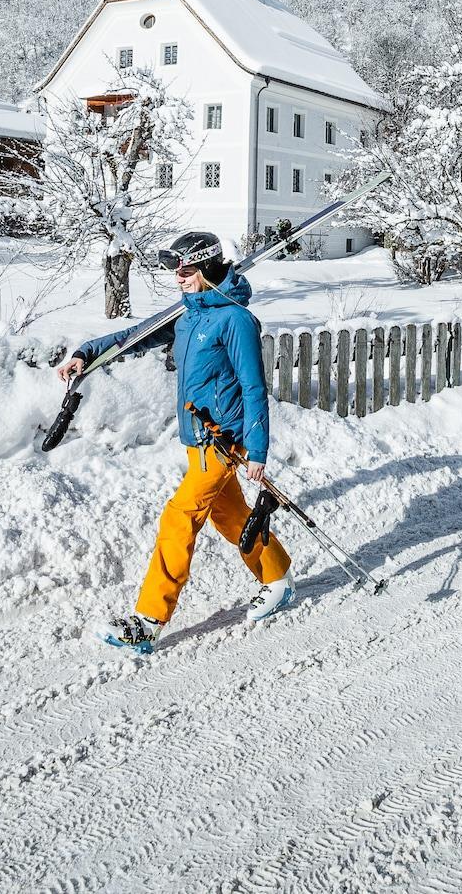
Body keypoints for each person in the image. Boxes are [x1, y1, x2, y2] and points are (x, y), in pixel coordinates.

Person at [58, 229, 293, 654]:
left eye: (185, 271)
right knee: (230, 515)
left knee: (179, 516)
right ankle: (277, 577)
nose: (178, 278)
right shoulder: (189, 314)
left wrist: (257, 451)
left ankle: (149, 619)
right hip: (196, 438)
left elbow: (254, 388)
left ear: (207, 268)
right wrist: (85, 353)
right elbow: (136, 335)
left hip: (223, 439)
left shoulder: (236, 320)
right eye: (177, 272)